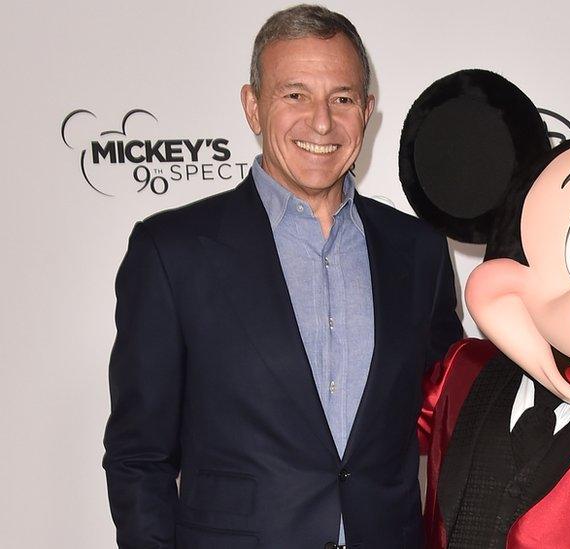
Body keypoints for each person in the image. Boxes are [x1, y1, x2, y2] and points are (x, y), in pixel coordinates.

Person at [103, 5, 462, 548]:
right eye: (295, 95)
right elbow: (139, 457)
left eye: (341, 98)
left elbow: (445, 416)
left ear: (366, 112)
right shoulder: (171, 253)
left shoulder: (419, 251)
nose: (321, 122)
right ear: (252, 106)